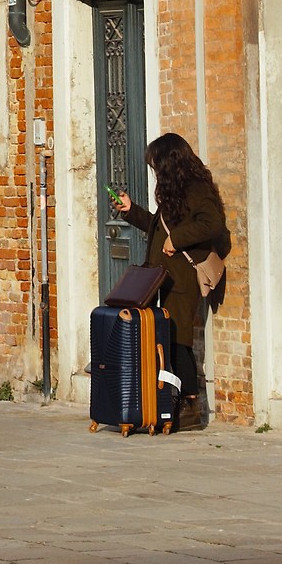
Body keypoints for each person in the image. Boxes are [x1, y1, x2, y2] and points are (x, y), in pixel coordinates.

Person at [110, 132, 230, 429]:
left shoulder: (197, 188)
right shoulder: (174, 189)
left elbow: (213, 224)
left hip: (183, 277)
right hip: (161, 276)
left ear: (169, 162)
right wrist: (131, 211)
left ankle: (190, 406)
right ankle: (164, 401)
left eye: (156, 164)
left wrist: (177, 240)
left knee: (178, 339)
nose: (154, 171)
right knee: (160, 337)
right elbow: (158, 228)